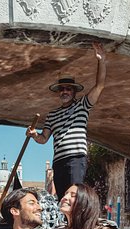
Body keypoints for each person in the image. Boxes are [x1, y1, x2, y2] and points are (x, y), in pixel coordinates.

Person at [26, 43, 107, 199]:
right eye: (62, 89)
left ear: (74, 91)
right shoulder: (51, 115)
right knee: (63, 199)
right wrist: (33, 134)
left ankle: (77, 223)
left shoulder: (82, 105)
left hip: (76, 158)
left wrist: (101, 60)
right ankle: (67, 223)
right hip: (59, 161)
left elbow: (100, 85)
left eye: (68, 88)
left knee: (74, 195)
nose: (64, 91)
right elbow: (43, 139)